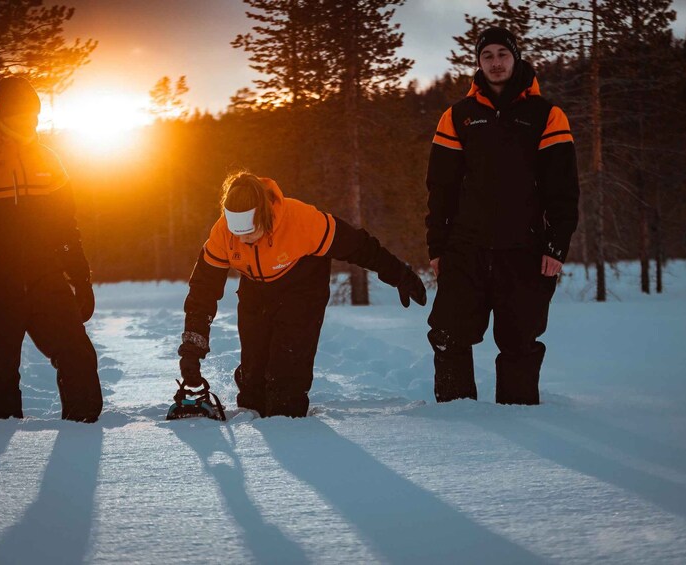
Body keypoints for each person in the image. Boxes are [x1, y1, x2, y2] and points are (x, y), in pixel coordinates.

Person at [179, 172, 427, 418]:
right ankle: (255, 429)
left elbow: (357, 246)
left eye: (250, 232)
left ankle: (292, 432)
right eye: (238, 233)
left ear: (264, 216)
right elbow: (203, 291)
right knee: (253, 381)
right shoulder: (223, 233)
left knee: (285, 381)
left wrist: (398, 274)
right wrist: (192, 349)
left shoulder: (301, 221)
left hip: (303, 287)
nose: (243, 240)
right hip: (256, 289)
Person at [425, 27, 579, 405]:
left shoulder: (546, 115)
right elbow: (440, 188)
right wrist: (437, 246)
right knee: (448, 334)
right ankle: (457, 420)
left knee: (519, 341)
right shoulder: (457, 116)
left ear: (516, 58)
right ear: (478, 62)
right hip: (466, 248)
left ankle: (521, 423)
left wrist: (556, 247)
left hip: (524, 249)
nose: (495, 62)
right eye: (487, 55)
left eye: (502, 54)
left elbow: (563, 189)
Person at [0, 76, 102, 422]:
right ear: (2, 113)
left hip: (46, 279)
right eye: (20, 116)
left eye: (33, 116)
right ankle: (3, 458)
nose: (28, 123)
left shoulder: (49, 160)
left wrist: (81, 276)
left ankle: (84, 435)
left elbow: (65, 226)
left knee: (78, 356)